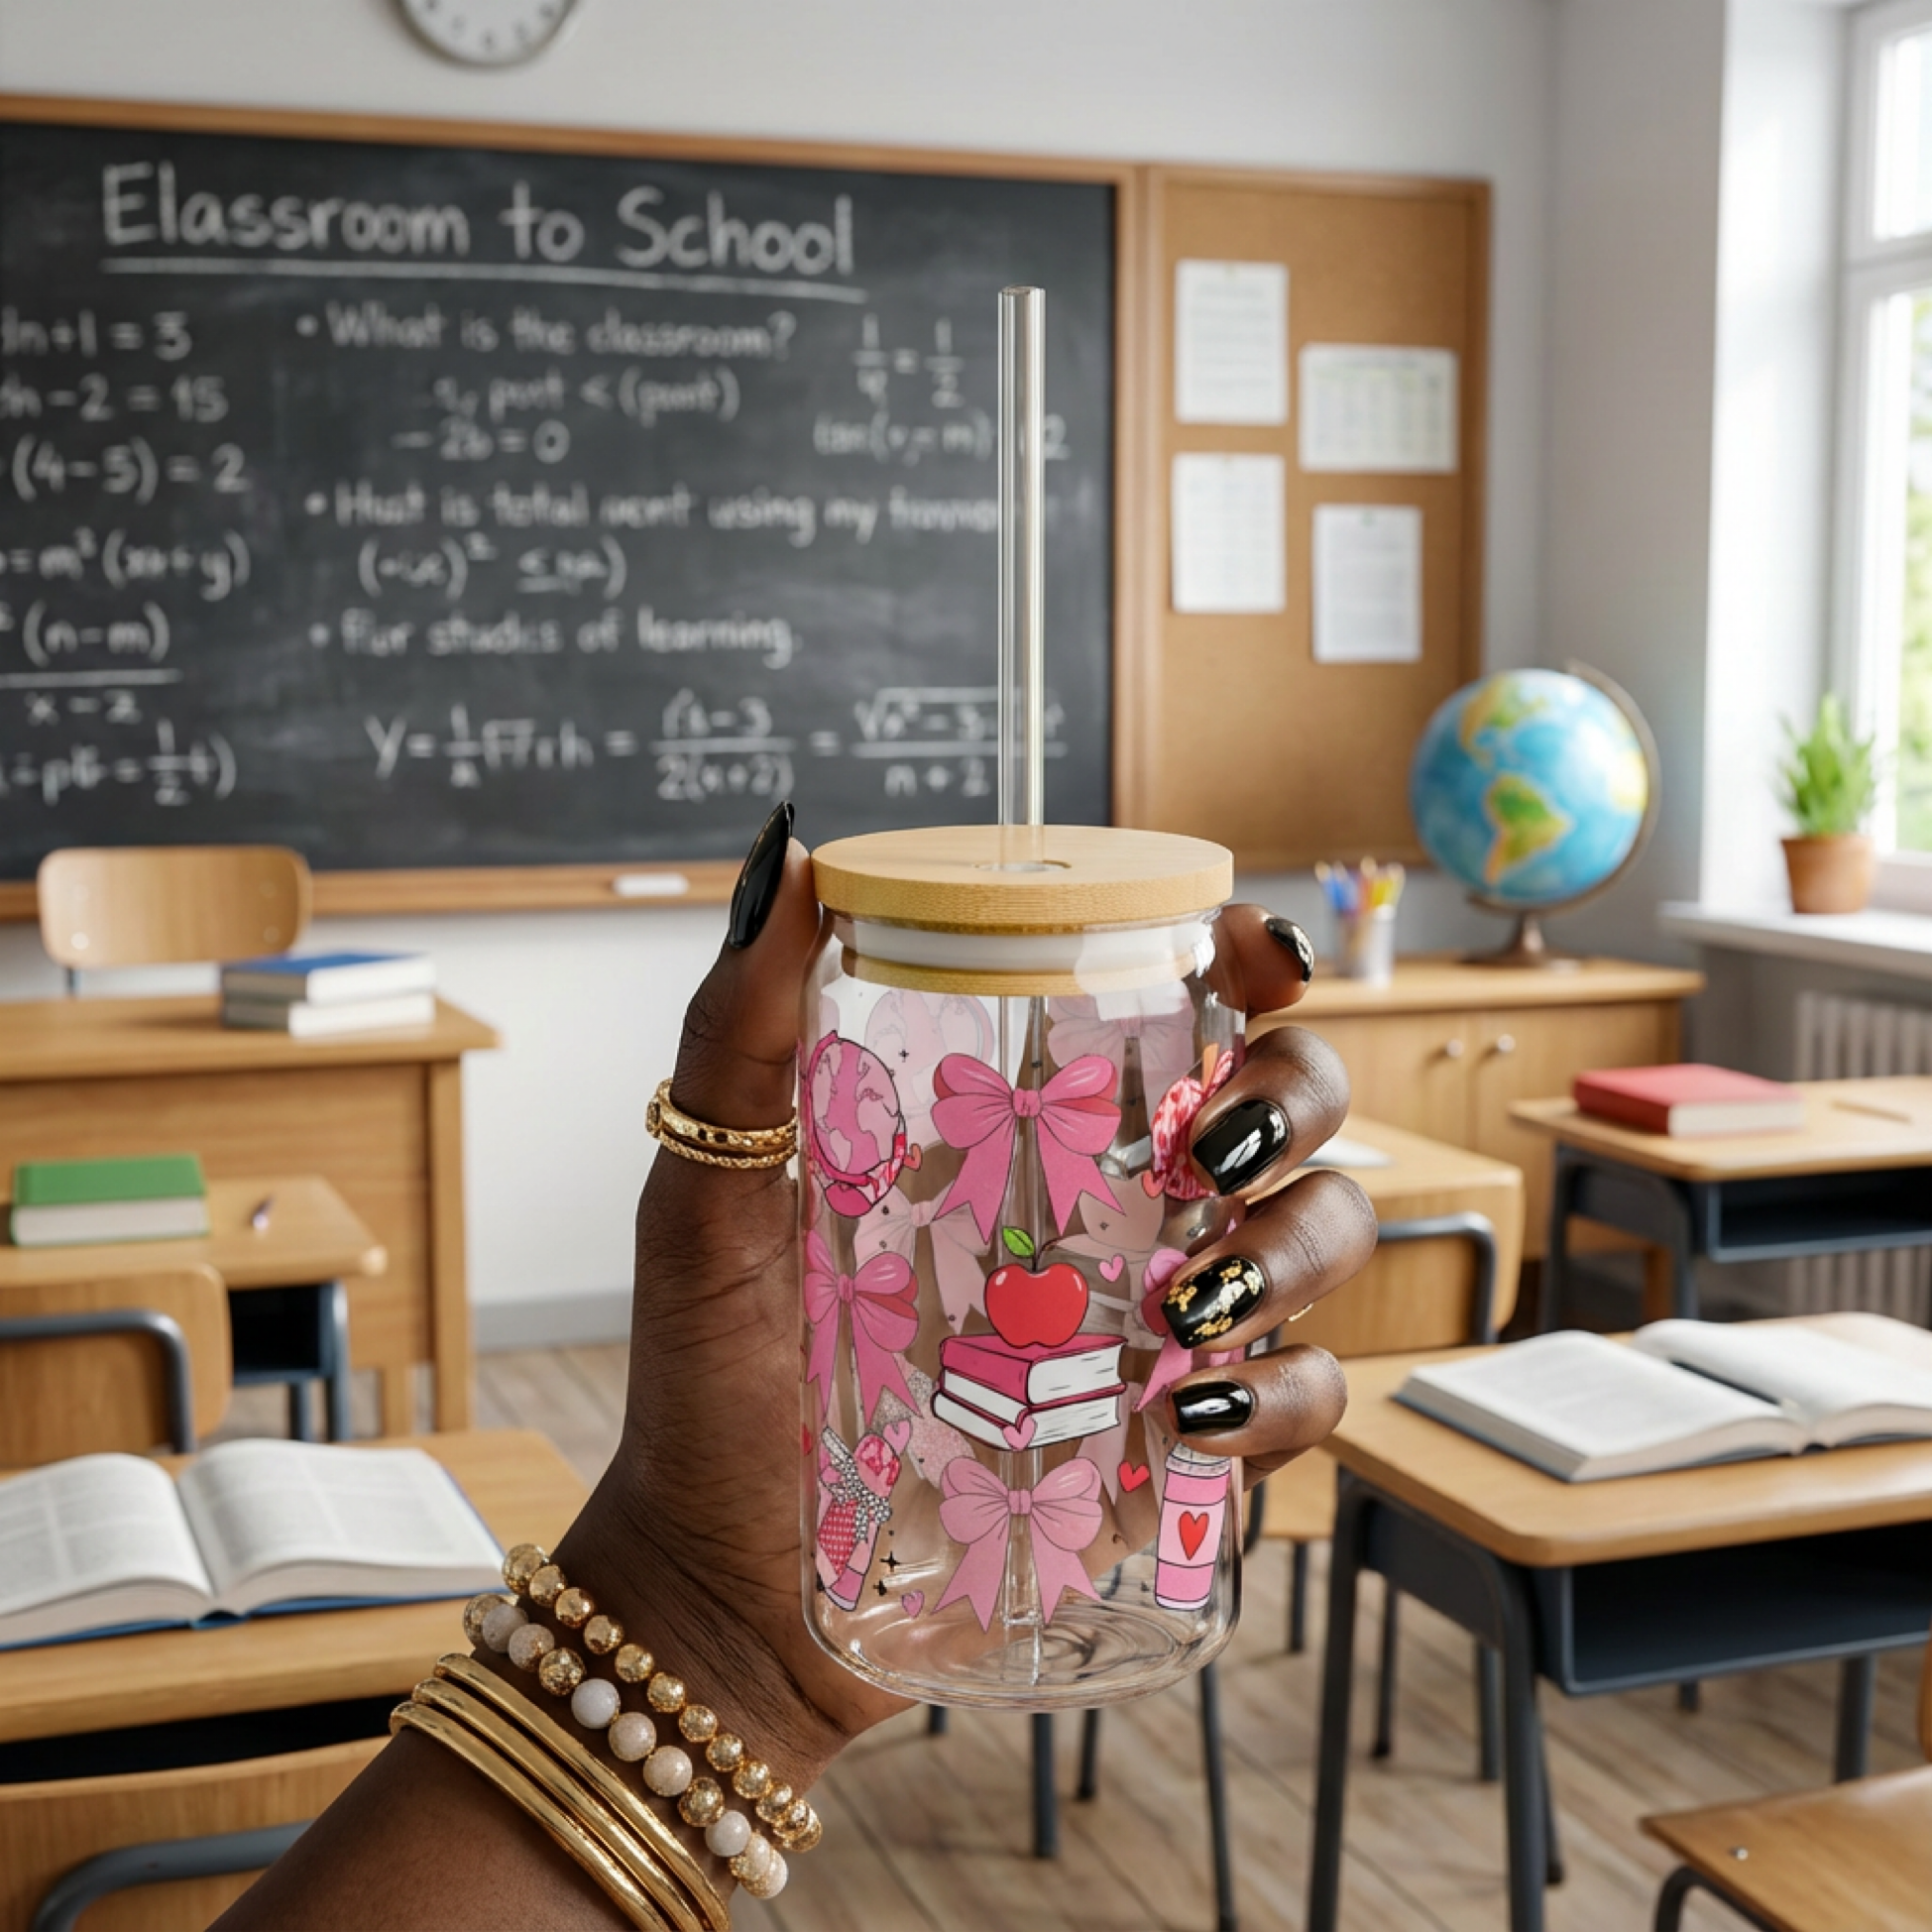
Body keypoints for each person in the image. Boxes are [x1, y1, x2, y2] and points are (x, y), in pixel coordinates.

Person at [218, 808, 1374, 1930]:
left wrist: (703, 1653)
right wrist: (694, 1617)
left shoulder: (1163, 1001)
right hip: (790, 1608)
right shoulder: (856, 993)